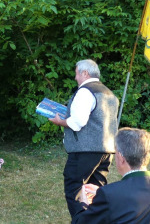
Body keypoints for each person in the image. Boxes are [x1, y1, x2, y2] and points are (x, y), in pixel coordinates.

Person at [49, 59, 119, 219]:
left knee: (75, 189)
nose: (75, 78)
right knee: (96, 191)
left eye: (76, 73)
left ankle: (82, 221)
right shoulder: (109, 93)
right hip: (107, 150)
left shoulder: (85, 91)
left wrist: (59, 121)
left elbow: (78, 121)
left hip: (85, 151)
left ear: (85, 73)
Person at [72, 127, 150, 223]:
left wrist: (83, 204)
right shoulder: (110, 194)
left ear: (120, 157)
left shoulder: (109, 194)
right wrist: (103, 193)